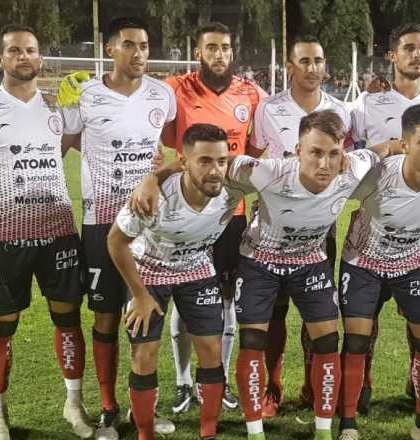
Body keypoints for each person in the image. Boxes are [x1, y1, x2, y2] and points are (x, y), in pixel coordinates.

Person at [131, 110, 405, 440]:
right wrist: (153, 177)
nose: (324, 164)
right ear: (297, 150)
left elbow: (384, 149)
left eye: (333, 154)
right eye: (315, 152)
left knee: (328, 341)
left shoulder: (352, 166)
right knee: (253, 341)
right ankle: (255, 430)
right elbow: (207, 159)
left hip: (309, 263)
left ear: (343, 153)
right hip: (260, 262)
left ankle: (323, 430)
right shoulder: (267, 171)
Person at [0, 24, 94, 440]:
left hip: (59, 232)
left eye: (30, 50)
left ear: (40, 58)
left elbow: (68, 149)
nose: (23, 57)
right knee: (0, 327)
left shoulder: (54, 108)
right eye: (14, 51)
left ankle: (74, 404)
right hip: (5, 236)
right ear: (0, 59)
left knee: (68, 322)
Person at [59, 17, 179, 440]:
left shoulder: (163, 96)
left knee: (144, 316)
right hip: (99, 223)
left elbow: (175, 152)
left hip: (147, 228)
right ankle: (108, 409)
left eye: (144, 45)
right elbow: (61, 146)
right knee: (106, 316)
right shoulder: (86, 95)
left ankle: (141, 404)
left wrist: (157, 176)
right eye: (129, 45)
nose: (139, 53)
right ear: (110, 49)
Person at [337, 104, 420, 440]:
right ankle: (348, 424)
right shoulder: (378, 174)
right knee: (356, 340)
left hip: (412, 264)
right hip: (364, 263)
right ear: (405, 143)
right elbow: (335, 181)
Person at [349, 22, 420, 409]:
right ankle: (361, 386)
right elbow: (354, 156)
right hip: (372, 226)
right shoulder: (366, 104)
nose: (418, 55)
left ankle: (419, 385)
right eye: (409, 48)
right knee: (365, 315)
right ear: (392, 55)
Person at [161, 21, 267, 415]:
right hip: (185, 213)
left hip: (232, 216)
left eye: (225, 47)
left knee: (226, 301)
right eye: (211, 48)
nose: (219, 54)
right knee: (181, 296)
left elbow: (256, 151)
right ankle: (183, 382)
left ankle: (218, 380)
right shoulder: (176, 90)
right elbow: (170, 143)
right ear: (198, 51)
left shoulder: (252, 94)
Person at [107, 123, 238, 440]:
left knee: (211, 347)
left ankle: (208, 432)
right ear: (184, 161)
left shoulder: (235, 185)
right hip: (149, 271)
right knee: (144, 354)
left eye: (221, 161)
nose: (214, 171)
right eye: (204, 161)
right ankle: (145, 434)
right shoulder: (154, 199)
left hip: (196, 268)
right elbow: (115, 241)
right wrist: (139, 295)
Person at [250, 34, 353, 418]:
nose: (313, 68)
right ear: (290, 67)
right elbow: (255, 161)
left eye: (319, 60)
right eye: (305, 61)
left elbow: (348, 162)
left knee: (318, 315)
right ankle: (269, 392)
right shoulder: (268, 109)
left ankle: (315, 389)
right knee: (273, 315)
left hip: (320, 228)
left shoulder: (342, 110)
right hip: (273, 230)